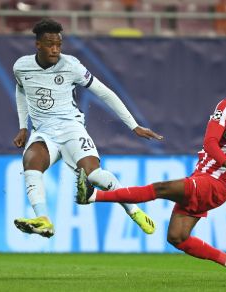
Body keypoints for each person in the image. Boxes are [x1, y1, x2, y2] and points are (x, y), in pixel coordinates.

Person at [76, 75, 226, 280]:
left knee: (161, 188)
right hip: (202, 176)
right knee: (177, 238)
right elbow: (209, 142)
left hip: (218, 186)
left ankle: (93, 196)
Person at [12, 18, 163, 238]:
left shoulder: (71, 66)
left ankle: (135, 211)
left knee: (93, 176)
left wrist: (133, 125)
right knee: (31, 164)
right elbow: (21, 91)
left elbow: (105, 93)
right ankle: (43, 219)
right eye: (49, 44)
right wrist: (22, 127)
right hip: (43, 133)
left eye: (59, 44)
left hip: (72, 129)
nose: (55, 49)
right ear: (38, 45)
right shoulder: (21, 67)